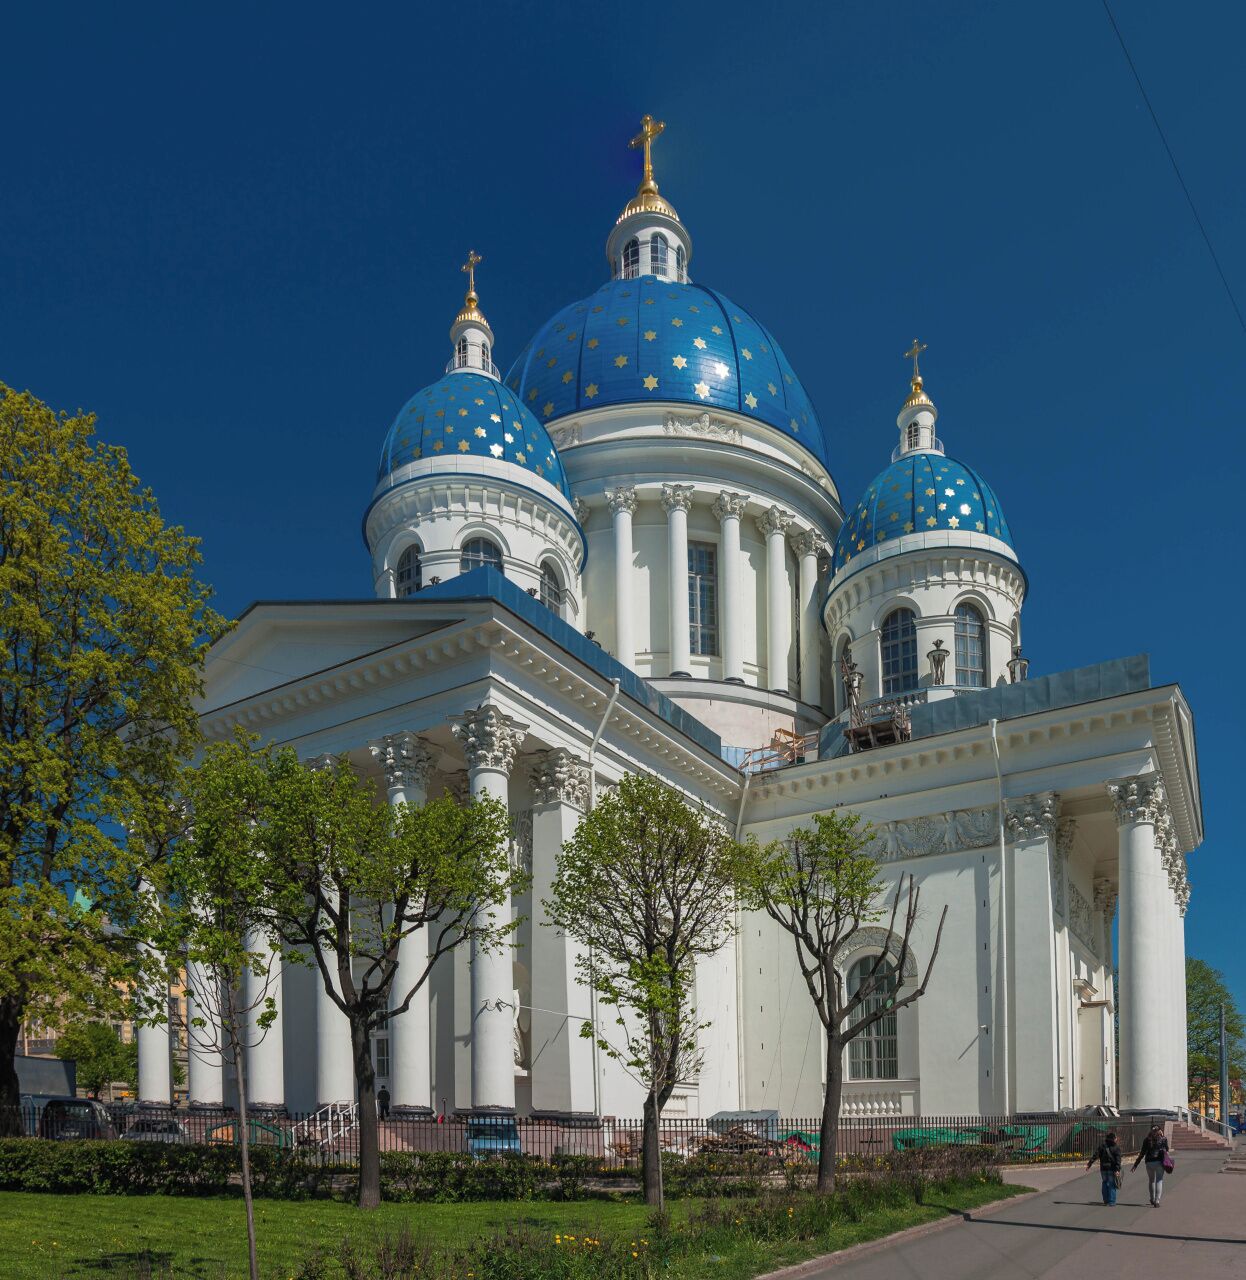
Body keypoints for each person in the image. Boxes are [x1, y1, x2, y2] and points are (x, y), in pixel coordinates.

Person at [1132, 1123, 1171, 1206]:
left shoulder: (1146, 1140)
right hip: (1159, 1162)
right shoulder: (1163, 1139)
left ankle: (1152, 1198)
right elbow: (1167, 1150)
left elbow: (1142, 1153)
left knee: (1151, 1180)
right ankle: (1157, 1201)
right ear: (1159, 1131)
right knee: (1159, 1180)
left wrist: (1135, 1165)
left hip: (1149, 1163)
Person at [1086, 1130, 1123, 1206]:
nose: (1116, 1139)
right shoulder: (1116, 1148)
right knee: (1112, 1184)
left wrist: (1089, 1164)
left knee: (1105, 1183)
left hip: (1103, 1168)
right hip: (1111, 1168)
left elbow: (1095, 1155)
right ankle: (1112, 1201)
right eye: (1115, 1138)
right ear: (1113, 1139)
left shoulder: (1102, 1146)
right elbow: (1118, 1160)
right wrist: (1117, 1169)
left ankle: (1106, 1200)